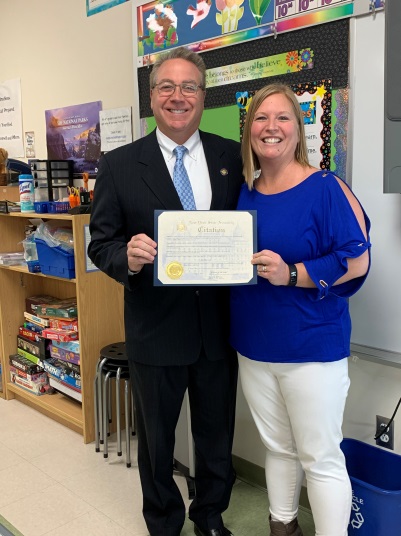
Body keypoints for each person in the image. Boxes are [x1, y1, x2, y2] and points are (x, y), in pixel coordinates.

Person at [88, 47, 243, 536]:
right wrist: (126, 258)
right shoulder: (118, 164)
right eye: (166, 87)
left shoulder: (230, 157)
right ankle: (163, 522)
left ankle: (211, 516)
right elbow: (100, 243)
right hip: (155, 329)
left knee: (217, 434)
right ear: (151, 97)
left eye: (189, 87)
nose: (178, 97)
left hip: (218, 328)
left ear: (203, 95)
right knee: (157, 441)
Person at [230, 83, 371, 536]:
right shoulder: (244, 192)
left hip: (312, 347)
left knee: (321, 458)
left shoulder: (325, 186)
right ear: (249, 128)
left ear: (298, 128)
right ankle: (283, 528)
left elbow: (357, 260)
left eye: (282, 117)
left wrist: (292, 273)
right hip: (254, 345)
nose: (271, 127)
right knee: (278, 448)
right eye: (261, 118)